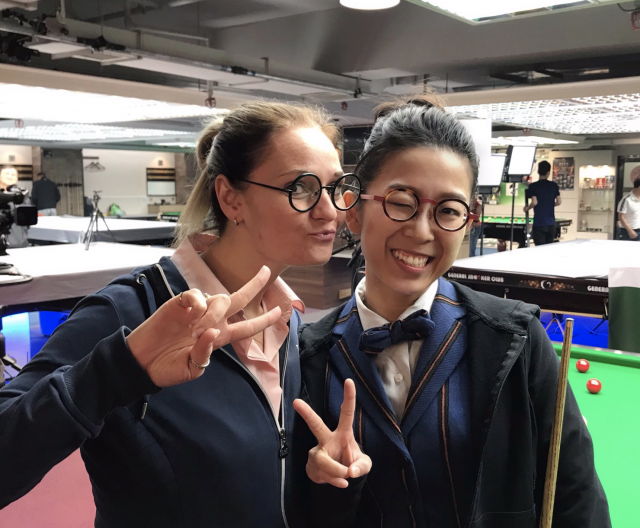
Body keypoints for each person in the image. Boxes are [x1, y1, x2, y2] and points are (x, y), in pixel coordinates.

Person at [0, 101, 362, 527]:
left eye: (336, 187)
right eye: (301, 188)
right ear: (231, 198)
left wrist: (324, 474)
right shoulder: (129, 311)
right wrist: (116, 370)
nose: (330, 210)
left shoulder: (288, 321)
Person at [295, 96, 610, 528]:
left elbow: (577, 499)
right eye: (400, 201)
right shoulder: (308, 355)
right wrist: (325, 486)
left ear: (467, 222)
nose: (422, 230)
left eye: (447, 210)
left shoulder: (516, 340)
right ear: (354, 209)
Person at [523, 161, 561, 246]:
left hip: (539, 224)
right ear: (548, 172)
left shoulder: (533, 186)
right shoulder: (554, 185)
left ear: (538, 171)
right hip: (551, 224)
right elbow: (559, 202)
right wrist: (549, 204)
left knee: (539, 250)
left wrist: (527, 209)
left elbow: (534, 202)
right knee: (548, 249)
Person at [0, 165, 29, 248]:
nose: (10, 177)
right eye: (7, 174)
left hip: (21, 243)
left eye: (13, 175)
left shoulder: (23, 196)